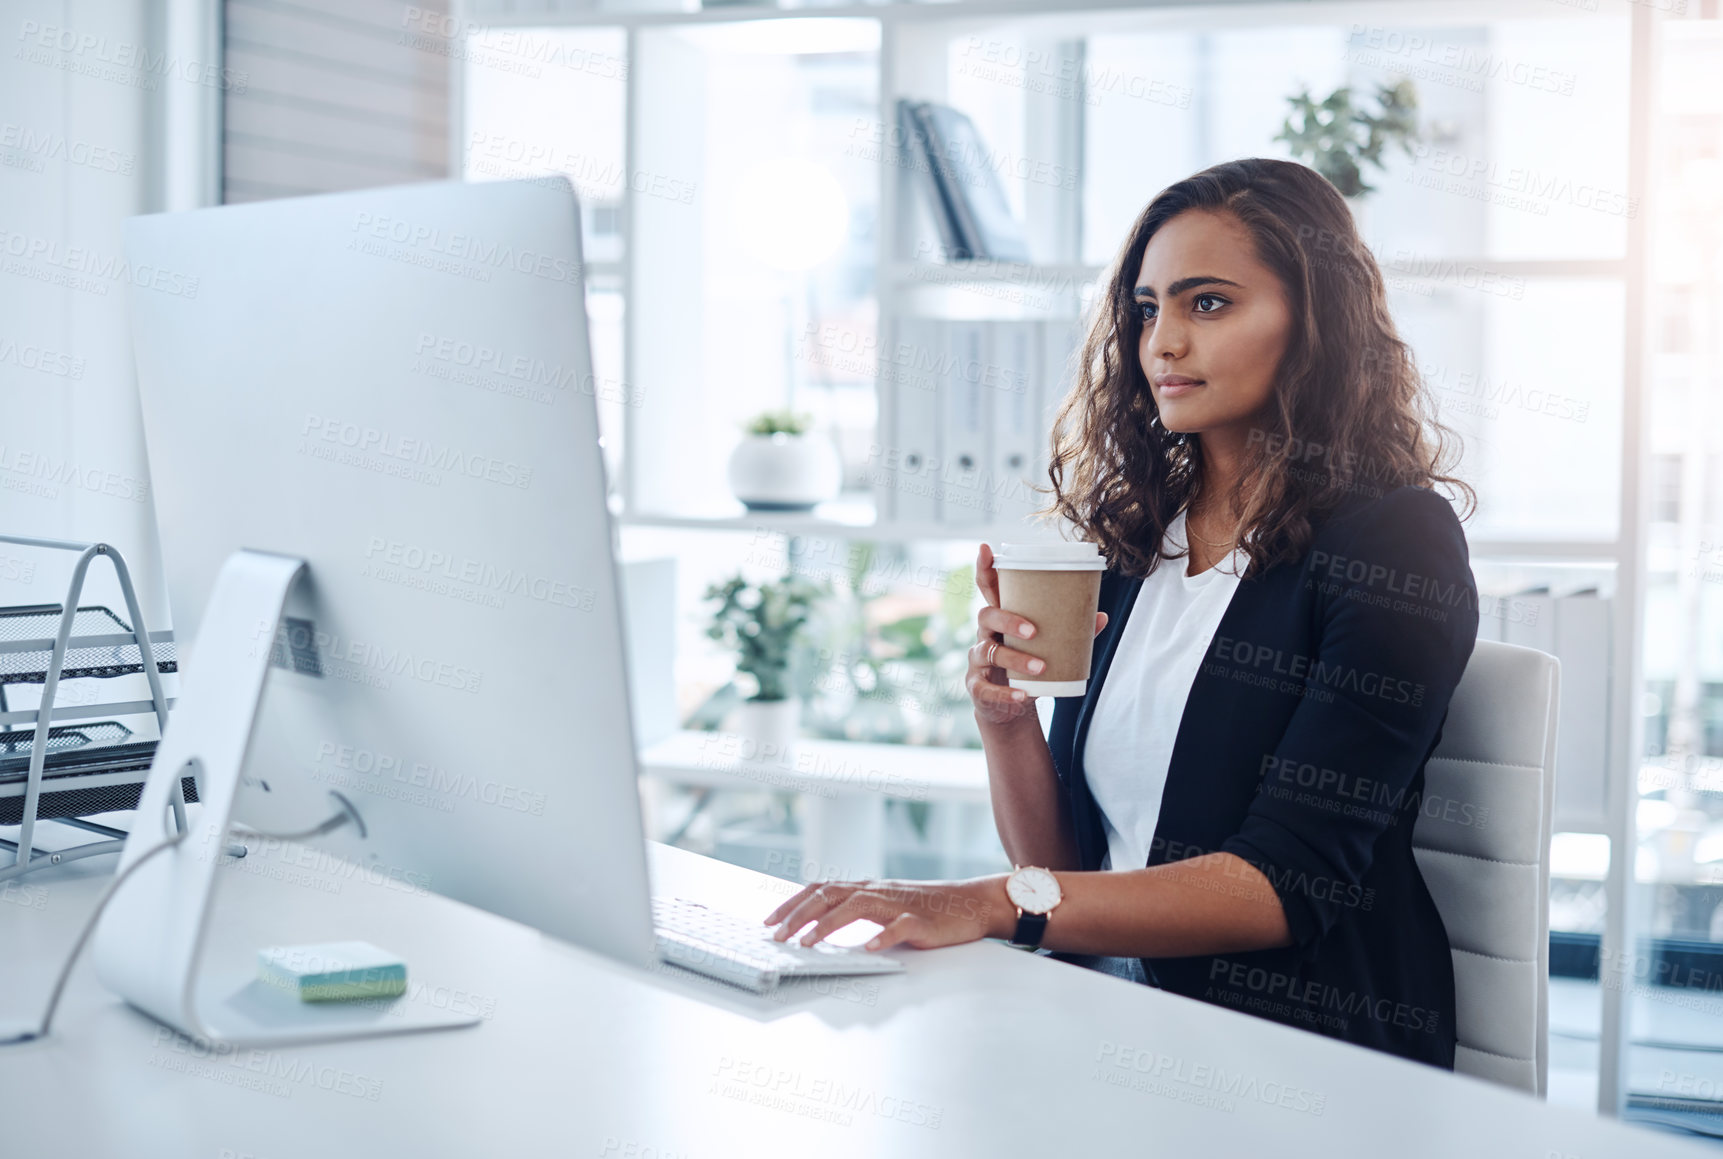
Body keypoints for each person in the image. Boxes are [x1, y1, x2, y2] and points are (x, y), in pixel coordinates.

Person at [764, 157, 1478, 1068]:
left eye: (1207, 303)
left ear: (1314, 321)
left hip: (1293, 1052)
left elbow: (1283, 886)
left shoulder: (1393, 540)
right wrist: (1005, 723)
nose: (1162, 343)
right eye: (1147, 309)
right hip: (1104, 1017)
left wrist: (986, 900)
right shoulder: (1138, 545)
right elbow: (1066, 861)